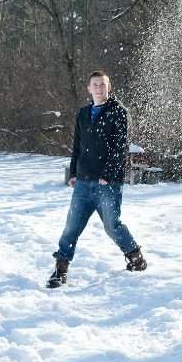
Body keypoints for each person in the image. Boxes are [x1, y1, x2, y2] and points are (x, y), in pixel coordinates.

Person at [46, 70, 147, 288]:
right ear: (89, 88)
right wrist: (73, 172)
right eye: (95, 85)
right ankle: (60, 270)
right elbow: (77, 146)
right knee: (71, 227)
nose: (99, 88)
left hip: (107, 183)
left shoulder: (118, 112)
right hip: (83, 181)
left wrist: (107, 174)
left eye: (103, 84)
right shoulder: (83, 113)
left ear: (108, 87)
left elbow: (120, 146)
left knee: (112, 226)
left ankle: (136, 257)